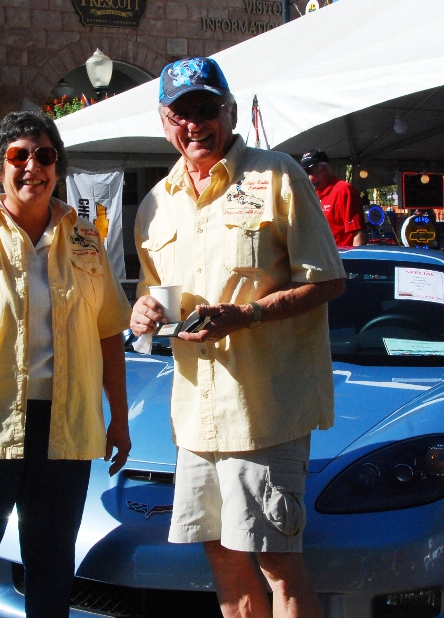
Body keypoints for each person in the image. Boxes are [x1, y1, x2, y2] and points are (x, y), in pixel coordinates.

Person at [130, 58, 346, 618]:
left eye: (206, 110)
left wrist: (245, 316)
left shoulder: (275, 175)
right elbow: (153, 294)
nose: (194, 124)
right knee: (222, 557)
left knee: (279, 565)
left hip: (262, 411)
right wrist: (143, 313)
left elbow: (327, 280)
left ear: (228, 111)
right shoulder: (156, 203)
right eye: (181, 113)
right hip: (195, 418)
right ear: (163, 120)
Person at [0, 111, 132, 618]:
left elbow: (109, 334)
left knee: (53, 567)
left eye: (45, 155)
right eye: (19, 156)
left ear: (58, 167)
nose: (33, 165)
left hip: (65, 428)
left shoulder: (85, 240)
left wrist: (117, 419)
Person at [300, 148, 366, 248]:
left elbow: (358, 232)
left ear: (324, 170)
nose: (305, 176)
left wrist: (355, 261)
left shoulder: (343, 190)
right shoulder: (314, 194)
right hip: (322, 259)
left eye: (308, 171)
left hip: (341, 259)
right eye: (303, 172)